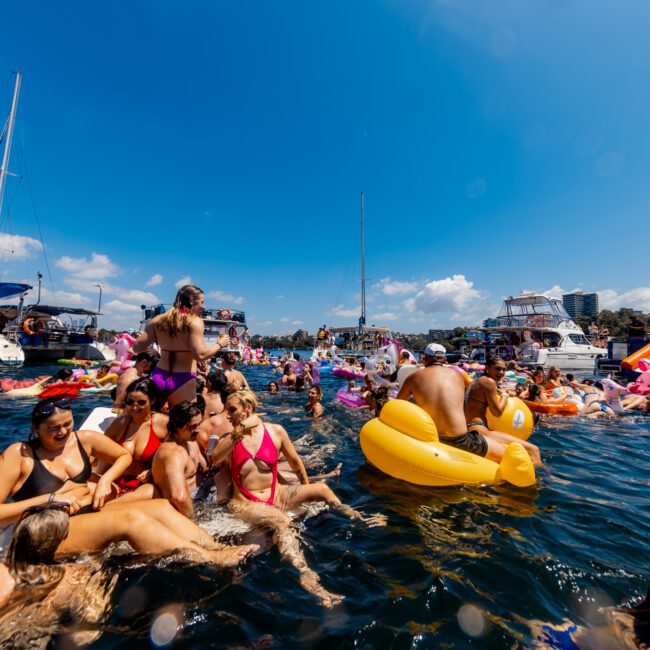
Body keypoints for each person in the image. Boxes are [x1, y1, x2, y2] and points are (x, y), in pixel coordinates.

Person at [0, 398, 255, 565]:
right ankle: (208, 558)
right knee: (131, 519)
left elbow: (122, 455)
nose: (63, 432)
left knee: (162, 506)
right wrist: (51, 499)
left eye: (67, 424)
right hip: (47, 527)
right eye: (53, 428)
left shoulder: (82, 439)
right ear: (35, 427)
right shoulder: (18, 455)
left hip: (87, 510)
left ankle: (215, 545)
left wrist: (105, 479)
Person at [212, 390, 386, 607]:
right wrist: (240, 431)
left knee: (322, 489)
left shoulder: (275, 431)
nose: (226, 415)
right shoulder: (228, 439)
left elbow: (295, 463)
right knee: (281, 521)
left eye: (232, 410)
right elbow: (214, 458)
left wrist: (306, 490)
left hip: (277, 493)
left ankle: (359, 517)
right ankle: (307, 577)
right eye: (225, 410)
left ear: (248, 408)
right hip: (245, 502)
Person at [132, 284, 231, 405]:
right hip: (183, 378)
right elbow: (200, 355)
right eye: (201, 302)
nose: (203, 306)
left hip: (159, 375)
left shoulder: (157, 320)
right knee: (186, 421)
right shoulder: (194, 322)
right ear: (191, 301)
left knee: (156, 417)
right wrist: (220, 344)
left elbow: (137, 347)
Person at [464, 356, 542, 466]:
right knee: (533, 450)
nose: (501, 372)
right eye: (497, 368)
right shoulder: (489, 382)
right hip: (479, 431)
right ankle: (540, 480)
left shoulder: (477, 381)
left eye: (503, 369)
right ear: (487, 368)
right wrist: (505, 395)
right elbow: (497, 412)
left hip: (469, 428)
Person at [102, 378, 169, 500]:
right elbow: (99, 451)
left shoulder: (163, 424)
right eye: (130, 402)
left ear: (152, 400)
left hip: (145, 487)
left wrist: (152, 471)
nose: (134, 407)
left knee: (148, 492)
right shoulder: (120, 424)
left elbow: (173, 456)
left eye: (141, 402)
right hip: (116, 484)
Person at [151, 402, 207, 518]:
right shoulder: (173, 453)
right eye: (193, 426)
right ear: (178, 426)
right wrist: (193, 523)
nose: (198, 430)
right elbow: (179, 498)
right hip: (191, 507)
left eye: (199, 424)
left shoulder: (188, 440)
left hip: (201, 494)